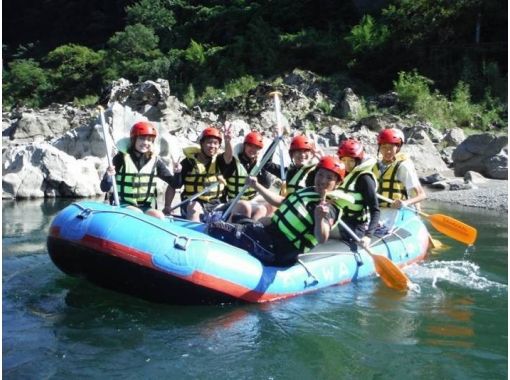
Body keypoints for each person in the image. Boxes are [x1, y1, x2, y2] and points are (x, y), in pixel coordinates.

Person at [207, 156, 347, 266]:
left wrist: (319, 218)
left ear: (337, 183)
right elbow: (280, 201)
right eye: (320, 174)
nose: (322, 180)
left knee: (217, 227)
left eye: (329, 178)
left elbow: (322, 238)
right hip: (269, 235)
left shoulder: (329, 207)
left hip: (280, 249)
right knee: (238, 218)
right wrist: (257, 187)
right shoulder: (308, 192)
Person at [100, 121, 177, 219]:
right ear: (134, 140)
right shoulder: (120, 158)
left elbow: (175, 184)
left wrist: (177, 172)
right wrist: (108, 176)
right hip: (123, 204)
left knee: (159, 216)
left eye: (149, 140)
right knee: (138, 214)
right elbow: (104, 188)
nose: (145, 143)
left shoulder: (155, 161)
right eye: (141, 138)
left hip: (145, 206)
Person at [165, 126, 231, 222]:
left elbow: (228, 157)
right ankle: (193, 231)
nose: (212, 146)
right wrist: (167, 206)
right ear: (202, 143)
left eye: (216, 143)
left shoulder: (220, 161)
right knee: (194, 207)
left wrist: (228, 141)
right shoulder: (188, 162)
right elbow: (173, 186)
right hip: (191, 203)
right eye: (209, 142)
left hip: (215, 204)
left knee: (237, 207)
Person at [337, 138, 380, 249]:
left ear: (358, 160)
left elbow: (375, 210)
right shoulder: (338, 175)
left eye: (351, 160)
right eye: (343, 160)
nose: (347, 165)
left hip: (355, 227)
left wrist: (368, 236)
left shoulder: (364, 179)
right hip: (338, 222)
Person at [223, 130, 273, 222]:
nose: (253, 149)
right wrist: (227, 141)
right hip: (231, 202)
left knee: (263, 208)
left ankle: (250, 230)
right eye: (250, 145)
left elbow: (267, 184)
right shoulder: (233, 162)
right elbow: (227, 158)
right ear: (244, 146)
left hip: (250, 202)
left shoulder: (258, 166)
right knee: (245, 206)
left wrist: (261, 167)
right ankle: (232, 227)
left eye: (257, 147)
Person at [373, 128, 426, 210]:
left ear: (398, 147)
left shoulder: (404, 166)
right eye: (384, 147)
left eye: (391, 147)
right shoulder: (375, 165)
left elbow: (421, 195)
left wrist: (405, 203)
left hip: (398, 211)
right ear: (379, 147)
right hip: (378, 211)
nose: (388, 151)